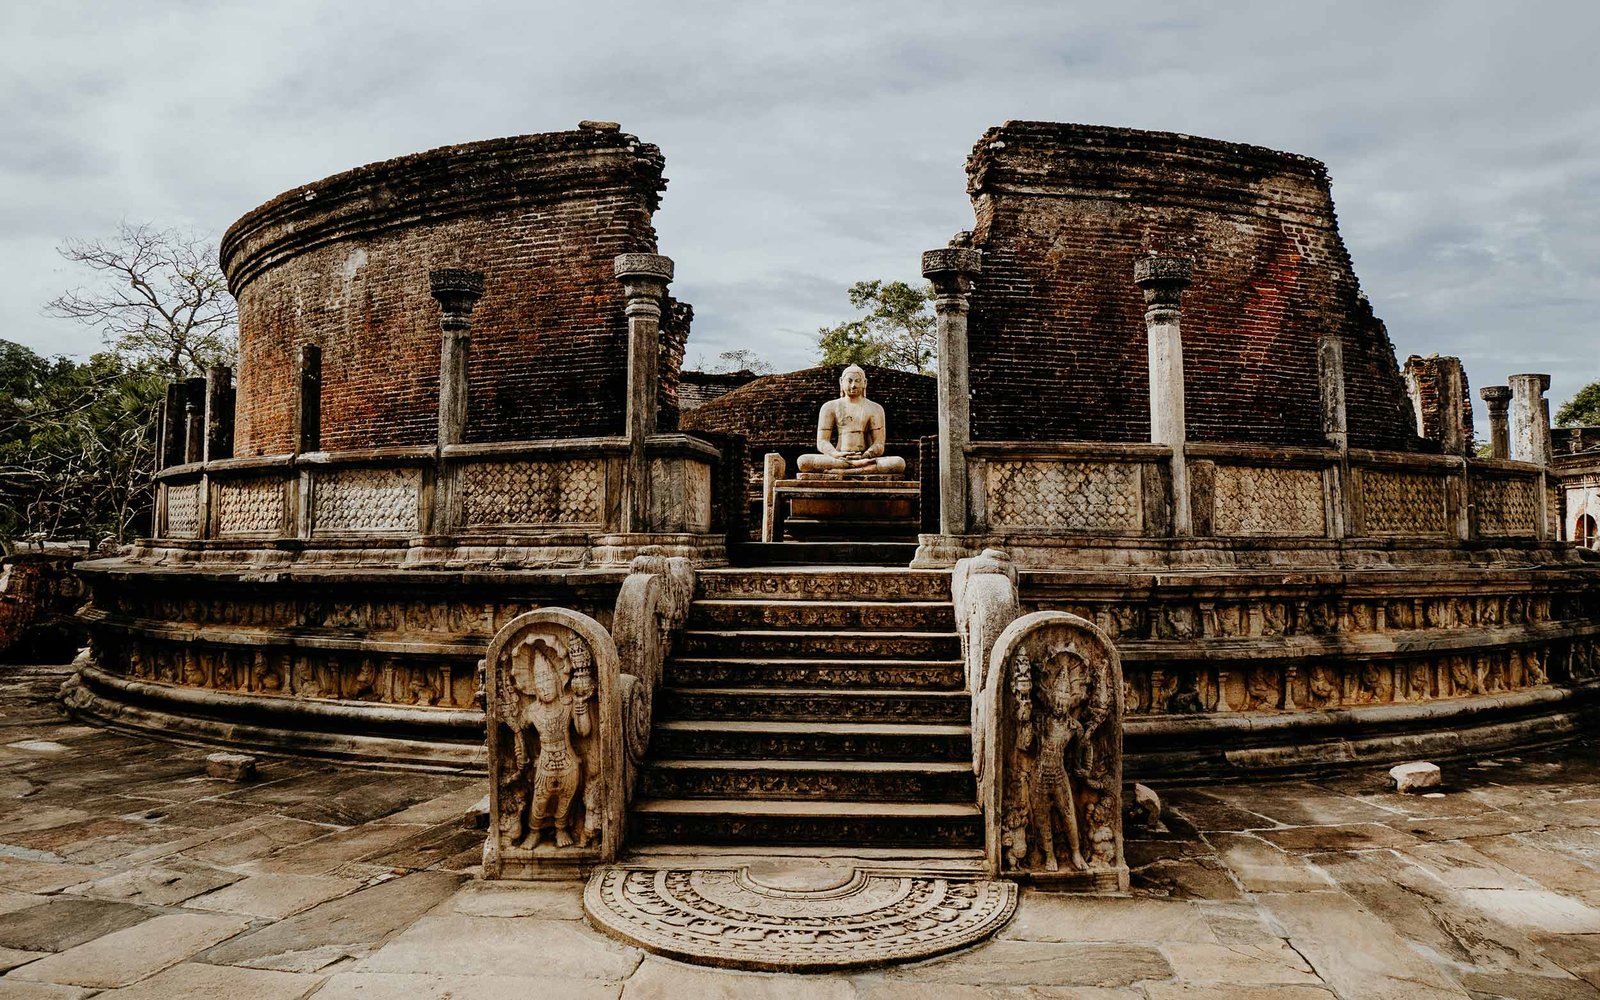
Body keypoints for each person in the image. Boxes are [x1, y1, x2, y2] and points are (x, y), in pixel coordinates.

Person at [796, 365, 906, 476]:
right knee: (803, 461)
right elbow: (822, 441)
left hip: (864, 458)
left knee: (898, 463)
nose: (853, 386)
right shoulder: (830, 407)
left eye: (857, 381)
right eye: (849, 381)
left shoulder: (875, 408)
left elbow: (879, 444)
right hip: (839, 458)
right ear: (841, 382)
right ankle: (857, 469)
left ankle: (843, 470)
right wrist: (836, 454)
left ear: (865, 383)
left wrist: (866, 455)